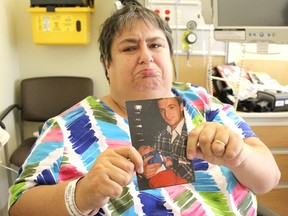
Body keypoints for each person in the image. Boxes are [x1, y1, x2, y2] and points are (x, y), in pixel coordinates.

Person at [8, 2, 280, 216]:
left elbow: (269, 179)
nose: (146, 56)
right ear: (107, 64)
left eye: (155, 45)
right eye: (129, 48)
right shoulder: (68, 128)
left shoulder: (204, 104)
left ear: (169, 56)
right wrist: (80, 194)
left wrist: (239, 156)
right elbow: (19, 208)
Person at [149, 96, 194, 183]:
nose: (167, 115)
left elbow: (195, 173)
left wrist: (172, 163)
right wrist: (146, 170)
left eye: (171, 107)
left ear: (181, 107)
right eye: (162, 110)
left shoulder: (193, 133)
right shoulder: (160, 136)